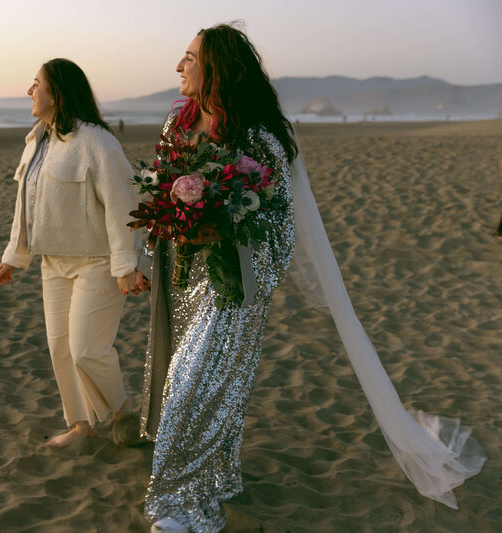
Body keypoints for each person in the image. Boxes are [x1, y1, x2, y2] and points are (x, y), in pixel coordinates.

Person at [139, 24, 484, 533]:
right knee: (195, 387)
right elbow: (162, 186)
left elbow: (279, 222)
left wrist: (225, 229)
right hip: (185, 274)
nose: (178, 67)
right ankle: (209, 481)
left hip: (236, 283)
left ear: (215, 68)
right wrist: (169, 226)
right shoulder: (177, 119)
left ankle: (182, 508)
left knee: (199, 385)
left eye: (188, 58)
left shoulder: (261, 137)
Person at [0, 58, 147, 448]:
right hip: (53, 262)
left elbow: (122, 205)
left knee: (86, 350)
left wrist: (127, 264)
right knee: (61, 348)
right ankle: (81, 426)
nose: (30, 91)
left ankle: (124, 409)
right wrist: (15, 254)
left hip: (97, 262)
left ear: (56, 92)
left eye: (36, 84)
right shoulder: (38, 140)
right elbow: (26, 202)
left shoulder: (97, 142)